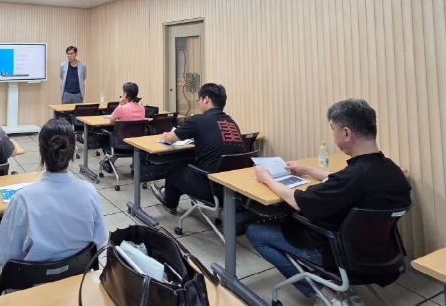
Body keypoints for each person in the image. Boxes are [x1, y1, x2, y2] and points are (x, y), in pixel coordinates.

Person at [246, 99, 411, 306]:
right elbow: (344, 181)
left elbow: (297, 201)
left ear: (346, 133)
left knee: (255, 232)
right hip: (381, 255)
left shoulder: (352, 178)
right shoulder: (392, 171)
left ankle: (322, 290)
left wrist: (267, 179)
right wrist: (307, 170)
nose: (333, 135)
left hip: (337, 252)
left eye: (333, 129)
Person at [0, 118, 107, 266]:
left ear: (40, 151)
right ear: (72, 151)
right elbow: (100, 240)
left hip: (32, 279)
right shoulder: (89, 191)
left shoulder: (23, 199)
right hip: (79, 275)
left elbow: (4, 256)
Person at [150, 83, 246, 214]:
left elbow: (169, 139)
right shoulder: (231, 123)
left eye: (199, 99)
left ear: (206, 99)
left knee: (175, 171)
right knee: (189, 165)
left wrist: (165, 134)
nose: (198, 103)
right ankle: (170, 191)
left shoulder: (198, 120)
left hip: (209, 188)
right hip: (233, 189)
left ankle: (170, 204)